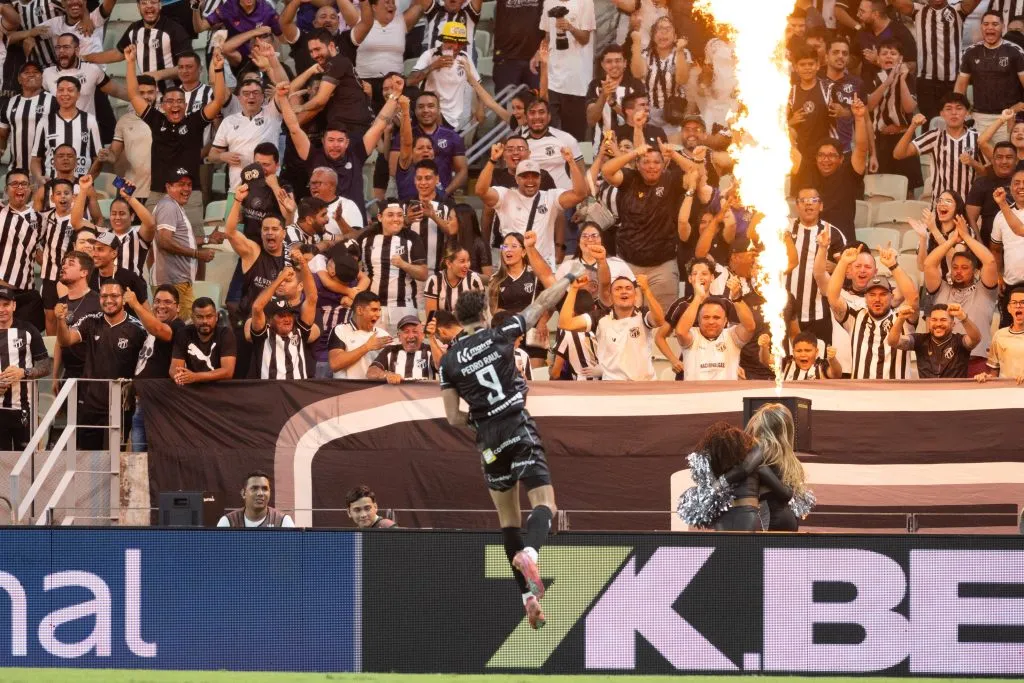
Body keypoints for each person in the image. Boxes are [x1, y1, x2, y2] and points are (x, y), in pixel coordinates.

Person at [439, 264, 583, 630]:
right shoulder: (500, 333)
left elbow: (454, 418)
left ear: (458, 319)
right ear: (485, 314)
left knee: (508, 521)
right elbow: (540, 305)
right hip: (516, 423)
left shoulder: (449, 361)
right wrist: (568, 278)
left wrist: (481, 418)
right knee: (545, 504)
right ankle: (531, 554)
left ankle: (527, 596)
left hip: (487, 438)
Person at [124, 43, 227, 235]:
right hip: (158, 193)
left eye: (180, 101)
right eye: (170, 101)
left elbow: (219, 99)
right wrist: (130, 63)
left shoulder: (195, 121)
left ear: (186, 106)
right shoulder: (156, 119)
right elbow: (133, 94)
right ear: (162, 105)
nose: (175, 105)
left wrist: (218, 69)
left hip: (190, 193)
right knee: (150, 241)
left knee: (196, 242)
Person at [54, 280, 147, 450]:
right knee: (86, 456)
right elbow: (65, 340)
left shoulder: (137, 328)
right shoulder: (91, 320)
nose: (108, 300)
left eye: (114, 296)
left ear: (124, 299)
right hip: (90, 402)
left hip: (120, 405)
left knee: (112, 458)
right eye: (104, 296)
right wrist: (60, 321)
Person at [600, 142, 691, 311]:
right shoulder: (629, 178)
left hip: (662, 267)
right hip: (628, 264)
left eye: (657, 162)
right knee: (627, 320)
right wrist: (633, 152)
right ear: (638, 165)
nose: (651, 166)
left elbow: (695, 172)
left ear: (664, 165)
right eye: (646, 162)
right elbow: (606, 170)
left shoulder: (671, 179)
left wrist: (675, 154)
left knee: (662, 321)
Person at [827, 245, 920, 379]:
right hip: (862, 393)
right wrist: (843, 262)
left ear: (892, 296)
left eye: (883, 294)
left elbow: (913, 298)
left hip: (897, 394)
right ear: (865, 298)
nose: (877, 299)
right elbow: (833, 297)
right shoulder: (855, 317)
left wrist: (893, 265)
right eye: (872, 295)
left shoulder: (903, 319)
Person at [923, 216, 999, 376]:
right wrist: (951, 241)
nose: (958, 271)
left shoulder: (985, 291)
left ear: (975, 272)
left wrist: (966, 237)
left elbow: (990, 262)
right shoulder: (942, 289)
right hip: (943, 363)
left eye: (964, 268)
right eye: (955, 267)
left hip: (977, 362)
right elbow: (929, 264)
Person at [559, 273, 666, 380]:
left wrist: (647, 290)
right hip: (612, 385)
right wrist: (573, 289)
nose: (624, 291)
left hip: (644, 384)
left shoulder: (643, 314)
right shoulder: (600, 317)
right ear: (610, 296)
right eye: (618, 289)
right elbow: (565, 323)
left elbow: (659, 320)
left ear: (635, 296)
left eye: (628, 288)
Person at [891, 0, 979, 122]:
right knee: (929, 124)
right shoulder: (918, 10)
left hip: (953, 81)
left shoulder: (958, 10)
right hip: (926, 82)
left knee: (952, 123)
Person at [151, 168, 215, 319]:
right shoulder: (168, 206)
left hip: (179, 280)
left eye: (189, 184)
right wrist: (197, 254)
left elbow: (182, 239)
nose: (186, 189)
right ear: (168, 187)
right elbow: (164, 241)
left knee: (182, 328)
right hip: (172, 282)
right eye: (181, 184)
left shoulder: (174, 206)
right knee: (179, 329)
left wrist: (207, 239)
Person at [786, 186, 847, 344]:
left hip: (819, 312)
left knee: (820, 362)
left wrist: (835, 268)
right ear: (797, 205)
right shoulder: (784, 229)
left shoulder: (833, 232)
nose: (808, 204)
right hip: (785, 310)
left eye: (813, 200)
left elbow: (846, 268)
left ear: (821, 205)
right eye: (803, 201)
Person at [894, 94, 981, 203]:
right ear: (941, 114)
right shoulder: (934, 136)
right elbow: (898, 154)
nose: (954, 113)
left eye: (959, 108)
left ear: (967, 113)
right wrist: (912, 126)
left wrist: (974, 163)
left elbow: (987, 173)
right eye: (948, 109)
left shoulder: (977, 138)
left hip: (968, 206)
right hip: (940, 207)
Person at [127, 285, 184, 451]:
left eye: (168, 302)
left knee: (158, 458)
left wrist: (136, 305)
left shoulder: (179, 327)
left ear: (178, 307)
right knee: (139, 461)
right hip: (142, 402)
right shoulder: (151, 326)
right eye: (157, 301)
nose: (161, 306)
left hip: (161, 404)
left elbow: (161, 331)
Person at [677, 422, 763, 531]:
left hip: (724, 516)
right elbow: (744, 469)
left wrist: (717, 485)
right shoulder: (751, 451)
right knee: (747, 547)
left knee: (724, 547)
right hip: (746, 514)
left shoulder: (716, 460)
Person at [954, 10, 1024, 142]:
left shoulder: (1015, 51)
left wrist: (1018, 107)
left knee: (1004, 159)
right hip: (978, 117)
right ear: (981, 27)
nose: (990, 27)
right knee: (979, 159)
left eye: (995, 24)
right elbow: (960, 87)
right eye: (986, 24)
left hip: (1007, 117)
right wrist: (962, 111)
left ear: (1002, 27)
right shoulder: (970, 52)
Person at [359, 199, 428, 332]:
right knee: (372, 350)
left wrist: (404, 265)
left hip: (403, 307)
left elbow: (423, 274)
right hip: (372, 308)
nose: (396, 219)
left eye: (399, 215)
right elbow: (353, 267)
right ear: (380, 217)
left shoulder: (412, 238)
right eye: (390, 215)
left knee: (402, 349)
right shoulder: (366, 238)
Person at [744, 403, 815, 532]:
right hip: (788, 521)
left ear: (764, 426)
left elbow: (785, 493)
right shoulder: (788, 458)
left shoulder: (761, 450)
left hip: (771, 521)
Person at [675, 276, 757, 381]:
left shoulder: (731, 336)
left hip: (726, 395)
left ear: (725, 321)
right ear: (699, 320)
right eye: (706, 317)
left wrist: (737, 299)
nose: (711, 322)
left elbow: (750, 327)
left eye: (716, 317)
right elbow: (680, 332)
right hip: (695, 395)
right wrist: (698, 298)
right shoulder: (693, 335)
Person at [246, 263, 319, 379]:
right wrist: (281, 278)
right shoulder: (263, 334)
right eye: (281, 316)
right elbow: (257, 307)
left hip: (297, 390)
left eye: (289, 315)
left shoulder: (299, 330)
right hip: (270, 390)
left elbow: (312, 298)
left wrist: (303, 263)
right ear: (270, 319)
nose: (287, 319)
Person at [0, 287, 51, 451]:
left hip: (24, 408)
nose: (1, 309)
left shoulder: (28, 330)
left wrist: (23, 372)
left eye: (6, 304)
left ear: (14, 306)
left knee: (28, 462)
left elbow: (45, 366)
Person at [537, 0, 595, 140]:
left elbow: (585, 39)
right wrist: (541, 60)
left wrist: (570, 28)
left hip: (577, 83)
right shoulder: (548, 2)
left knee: (576, 138)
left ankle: (578, 162)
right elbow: (547, 37)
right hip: (553, 81)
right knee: (550, 135)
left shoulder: (586, 2)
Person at [29, 76, 102, 183]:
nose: (65, 94)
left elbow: (98, 158)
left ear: (78, 94)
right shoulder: (45, 122)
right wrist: (40, 178)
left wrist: (87, 181)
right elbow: (35, 159)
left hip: (81, 187)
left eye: (70, 90)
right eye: (61, 90)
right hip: (52, 185)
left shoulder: (90, 120)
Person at [409, 22, 478, 130]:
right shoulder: (429, 55)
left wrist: (480, 108)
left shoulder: (465, 57)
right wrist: (432, 66)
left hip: (457, 118)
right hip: (433, 115)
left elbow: (477, 84)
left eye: (460, 43)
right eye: (451, 41)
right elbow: (410, 81)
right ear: (443, 40)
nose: (455, 47)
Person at [42, 33, 127, 122]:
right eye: (58, 47)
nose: (61, 51)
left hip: (86, 130)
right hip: (57, 130)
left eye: (66, 47)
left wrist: (137, 99)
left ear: (77, 50)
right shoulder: (47, 73)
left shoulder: (92, 70)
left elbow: (116, 91)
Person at [628, 15, 688, 135]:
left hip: (673, 113)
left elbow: (682, 79)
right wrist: (636, 44)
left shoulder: (683, 53)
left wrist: (680, 51)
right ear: (653, 35)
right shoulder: (646, 54)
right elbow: (637, 73)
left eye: (668, 29)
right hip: (649, 113)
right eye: (659, 29)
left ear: (675, 36)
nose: (663, 33)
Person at [887, 302, 980, 378]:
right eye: (934, 320)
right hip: (928, 397)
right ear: (929, 322)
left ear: (953, 324)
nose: (938, 324)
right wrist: (900, 319)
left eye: (943, 320)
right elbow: (893, 341)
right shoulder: (920, 340)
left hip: (954, 396)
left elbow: (976, 338)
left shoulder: (960, 342)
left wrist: (963, 318)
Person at [0, 172, 43, 332]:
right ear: (6, 189)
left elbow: (38, 251)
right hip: (1, 289)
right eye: (15, 184)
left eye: (24, 184)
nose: (20, 187)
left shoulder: (40, 219)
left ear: (30, 189)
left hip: (27, 293)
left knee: (29, 339)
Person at [52, 250, 100, 383]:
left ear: (83, 273)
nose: (64, 266)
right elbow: (59, 341)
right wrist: (55, 376)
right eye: (63, 263)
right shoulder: (61, 302)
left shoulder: (98, 302)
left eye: (71, 264)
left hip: (92, 374)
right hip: (68, 373)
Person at [0, 62, 58, 171]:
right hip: (16, 170)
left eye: (36, 72)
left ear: (42, 77)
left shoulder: (53, 101)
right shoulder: (9, 103)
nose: (31, 75)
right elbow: (2, 134)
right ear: (19, 79)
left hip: (46, 171)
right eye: (26, 72)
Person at [35, 178, 75, 335]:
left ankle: (68, 351)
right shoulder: (44, 218)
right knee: (51, 316)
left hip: (70, 278)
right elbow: (32, 240)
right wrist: (43, 259)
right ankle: (52, 353)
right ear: (52, 198)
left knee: (69, 316)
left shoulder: (78, 221)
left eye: (66, 193)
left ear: (73, 196)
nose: (62, 197)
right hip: (50, 276)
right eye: (58, 193)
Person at [584, 44, 643, 146]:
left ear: (625, 63)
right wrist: (603, 96)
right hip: (600, 145)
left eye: (618, 61)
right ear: (602, 64)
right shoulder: (595, 84)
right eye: (609, 61)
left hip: (630, 143)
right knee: (585, 154)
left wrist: (612, 102)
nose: (614, 65)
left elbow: (639, 119)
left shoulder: (636, 85)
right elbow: (591, 121)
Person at [170, 297, 237, 386]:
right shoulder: (183, 333)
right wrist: (179, 376)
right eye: (199, 317)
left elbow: (228, 372)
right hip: (191, 388)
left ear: (216, 317)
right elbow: (174, 368)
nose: (205, 321)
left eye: (209, 316)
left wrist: (195, 377)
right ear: (192, 318)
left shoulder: (225, 334)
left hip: (219, 389)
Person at [328, 290, 392, 379]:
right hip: (347, 390)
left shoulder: (383, 334)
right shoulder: (341, 330)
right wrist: (367, 347)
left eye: (379, 310)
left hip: (374, 390)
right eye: (374, 310)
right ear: (359, 310)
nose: (378, 314)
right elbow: (335, 364)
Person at [967, 139, 1016, 246]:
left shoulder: (1021, 182)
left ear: (1016, 161)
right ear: (992, 160)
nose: (1004, 161)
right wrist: (979, 246)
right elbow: (970, 218)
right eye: (999, 157)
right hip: (988, 244)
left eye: (1009, 157)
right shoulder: (981, 184)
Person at [991, 175, 1024, 327]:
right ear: (1010, 188)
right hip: (1011, 284)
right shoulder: (1000, 217)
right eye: (1016, 183)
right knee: (1007, 332)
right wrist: (998, 275)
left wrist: (1002, 203)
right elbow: (996, 248)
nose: (1021, 186)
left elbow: (1019, 229)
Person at [367, 314, 435, 383]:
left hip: (424, 393)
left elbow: (442, 367)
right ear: (399, 337)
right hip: (397, 393)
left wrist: (432, 338)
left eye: (415, 331)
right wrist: (386, 375)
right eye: (406, 332)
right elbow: (371, 372)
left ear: (422, 335)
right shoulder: (390, 351)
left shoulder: (430, 350)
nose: (411, 336)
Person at [976, 286, 1024, 383]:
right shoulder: (999, 335)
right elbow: (994, 373)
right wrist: (986, 377)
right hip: (1006, 392)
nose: (1018, 306)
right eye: (1014, 303)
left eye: (1023, 302)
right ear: (1009, 308)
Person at [85, 232, 148, 305]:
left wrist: (135, 304)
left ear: (114, 253)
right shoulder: (87, 276)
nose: (94, 254)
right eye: (93, 249)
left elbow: (148, 314)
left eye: (100, 249)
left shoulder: (130, 278)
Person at [217, 470, 296, 527]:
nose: (260, 493)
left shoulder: (283, 521)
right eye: (254, 488)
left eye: (265, 489)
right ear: (243, 493)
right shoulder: (227, 522)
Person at [424, 246, 484, 315]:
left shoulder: (474, 279)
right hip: (443, 324)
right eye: (462, 261)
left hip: (468, 324)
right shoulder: (434, 281)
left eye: (468, 261)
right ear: (449, 263)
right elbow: (431, 318)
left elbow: (480, 313)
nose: (467, 265)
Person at [760, 330, 841, 380]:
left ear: (816, 352)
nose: (803, 354)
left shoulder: (821, 365)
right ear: (793, 352)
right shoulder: (788, 362)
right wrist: (764, 347)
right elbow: (766, 361)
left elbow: (836, 374)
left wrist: (832, 359)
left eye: (807, 350)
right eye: (799, 351)